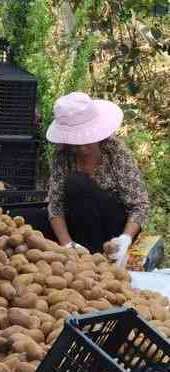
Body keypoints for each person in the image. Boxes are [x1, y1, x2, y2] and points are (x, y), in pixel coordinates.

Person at [46, 92, 149, 267]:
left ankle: (104, 258)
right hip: (80, 225)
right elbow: (55, 206)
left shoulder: (115, 152)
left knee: (78, 183)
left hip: (113, 228)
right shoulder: (63, 156)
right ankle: (80, 255)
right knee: (33, 218)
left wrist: (125, 239)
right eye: (75, 142)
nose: (81, 147)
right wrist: (66, 243)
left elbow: (139, 205)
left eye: (86, 139)